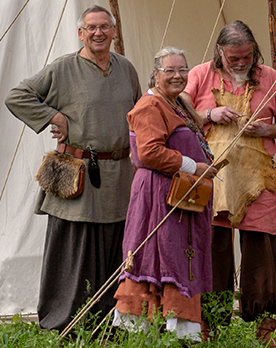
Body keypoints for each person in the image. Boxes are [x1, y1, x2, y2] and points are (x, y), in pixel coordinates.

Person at [5, 5, 141, 332]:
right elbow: (17, 96)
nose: (98, 33)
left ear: (114, 31)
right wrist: (54, 117)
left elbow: (138, 112)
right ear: (81, 33)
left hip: (119, 175)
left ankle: (109, 321)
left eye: (104, 27)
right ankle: (65, 321)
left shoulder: (125, 68)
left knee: (115, 248)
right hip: (78, 174)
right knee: (74, 249)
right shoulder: (63, 68)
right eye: (91, 27)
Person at [184, 21, 276, 325]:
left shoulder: (269, 77)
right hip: (212, 179)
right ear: (220, 51)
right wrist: (211, 113)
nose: (241, 63)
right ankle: (211, 323)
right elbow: (180, 115)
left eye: (246, 56)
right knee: (214, 248)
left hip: (257, 179)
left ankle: (264, 323)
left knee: (261, 248)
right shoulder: (200, 75)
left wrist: (266, 129)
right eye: (234, 58)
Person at [113, 47, 219, 342]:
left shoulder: (177, 103)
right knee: (155, 257)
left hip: (180, 195)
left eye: (182, 70)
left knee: (178, 256)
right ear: (155, 74)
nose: (177, 76)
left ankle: (179, 330)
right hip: (158, 195)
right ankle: (142, 331)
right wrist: (194, 166)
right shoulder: (150, 106)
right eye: (169, 70)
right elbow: (149, 152)